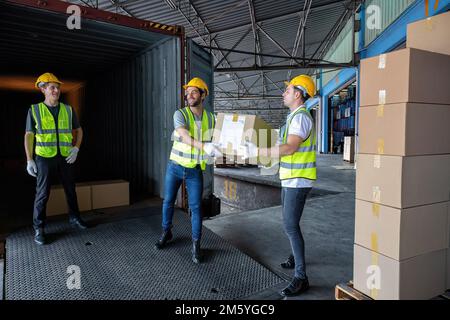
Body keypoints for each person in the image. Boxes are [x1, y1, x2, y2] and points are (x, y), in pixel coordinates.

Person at [245, 74, 317, 296]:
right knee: (289, 223)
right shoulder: (292, 118)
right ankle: (295, 258)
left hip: (298, 179)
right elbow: (281, 145)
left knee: (290, 225)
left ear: (298, 94)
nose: (283, 93)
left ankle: (301, 277)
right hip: (290, 178)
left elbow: (291, 148)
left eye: (287, 90)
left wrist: (259, 152)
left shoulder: (301, 118)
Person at [155, 77, 221, 264]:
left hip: (194, 170)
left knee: (196, 207)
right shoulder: (180, 114)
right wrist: (204, 146)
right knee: (168, 201)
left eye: (194, 91)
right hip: (175, 166)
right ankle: (166, 232)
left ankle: (196, 243)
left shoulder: (211, 118)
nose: (189, 95)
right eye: (187, 92)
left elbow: (219, 138)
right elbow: (183, 135)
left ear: (203, 94)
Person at [24, 72, 88, 245]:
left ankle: (75, 218)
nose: (56, 90)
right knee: (43, 193)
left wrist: (76, 148)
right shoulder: (35, 110)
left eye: (58, 87)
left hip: (65, 156)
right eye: (52, 87)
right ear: (43, 89)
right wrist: (30, 159)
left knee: (70, 189)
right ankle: (39, 228)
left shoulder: (68, 110)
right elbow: (29, 135)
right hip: (44, 157)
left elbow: (79, 131)